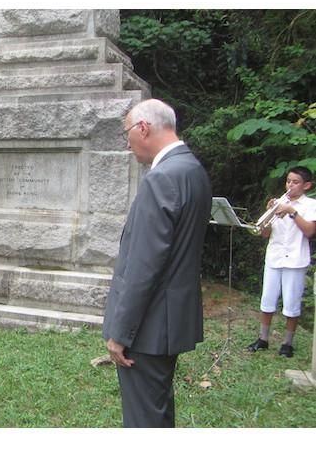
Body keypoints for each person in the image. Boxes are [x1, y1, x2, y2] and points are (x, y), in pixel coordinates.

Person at [102, 99, 212, 427]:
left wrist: (121, 333)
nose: (127, 143)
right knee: (158, 409)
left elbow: (144, 266)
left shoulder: (161, 178)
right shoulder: (193, 170)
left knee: (143, 421)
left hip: (147, 329)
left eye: (127, 133)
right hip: (170, 321)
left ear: (143, 128)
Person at [247, 166, 316, 358]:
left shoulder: (310, 205)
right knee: (267, 300)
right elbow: (264, 233)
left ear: (306, 185)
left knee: (292, 304)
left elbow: (310, 231)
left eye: (295, 182)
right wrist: (269, 214)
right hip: (274, 256)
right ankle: (263, 339)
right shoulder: (279, 202)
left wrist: (292, 212)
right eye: (288, 181)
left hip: (295, 259)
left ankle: (287, 343)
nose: (290, 185)